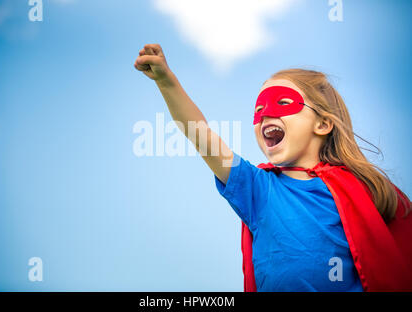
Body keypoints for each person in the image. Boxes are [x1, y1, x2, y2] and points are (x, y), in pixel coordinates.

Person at [134, 44, 412, 292]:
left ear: (323, 124)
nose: (265, 112)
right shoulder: (257, 188)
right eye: (259, 109)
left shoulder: (360, 190)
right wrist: (166, 82)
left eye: (283, 102)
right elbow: (202, 136)